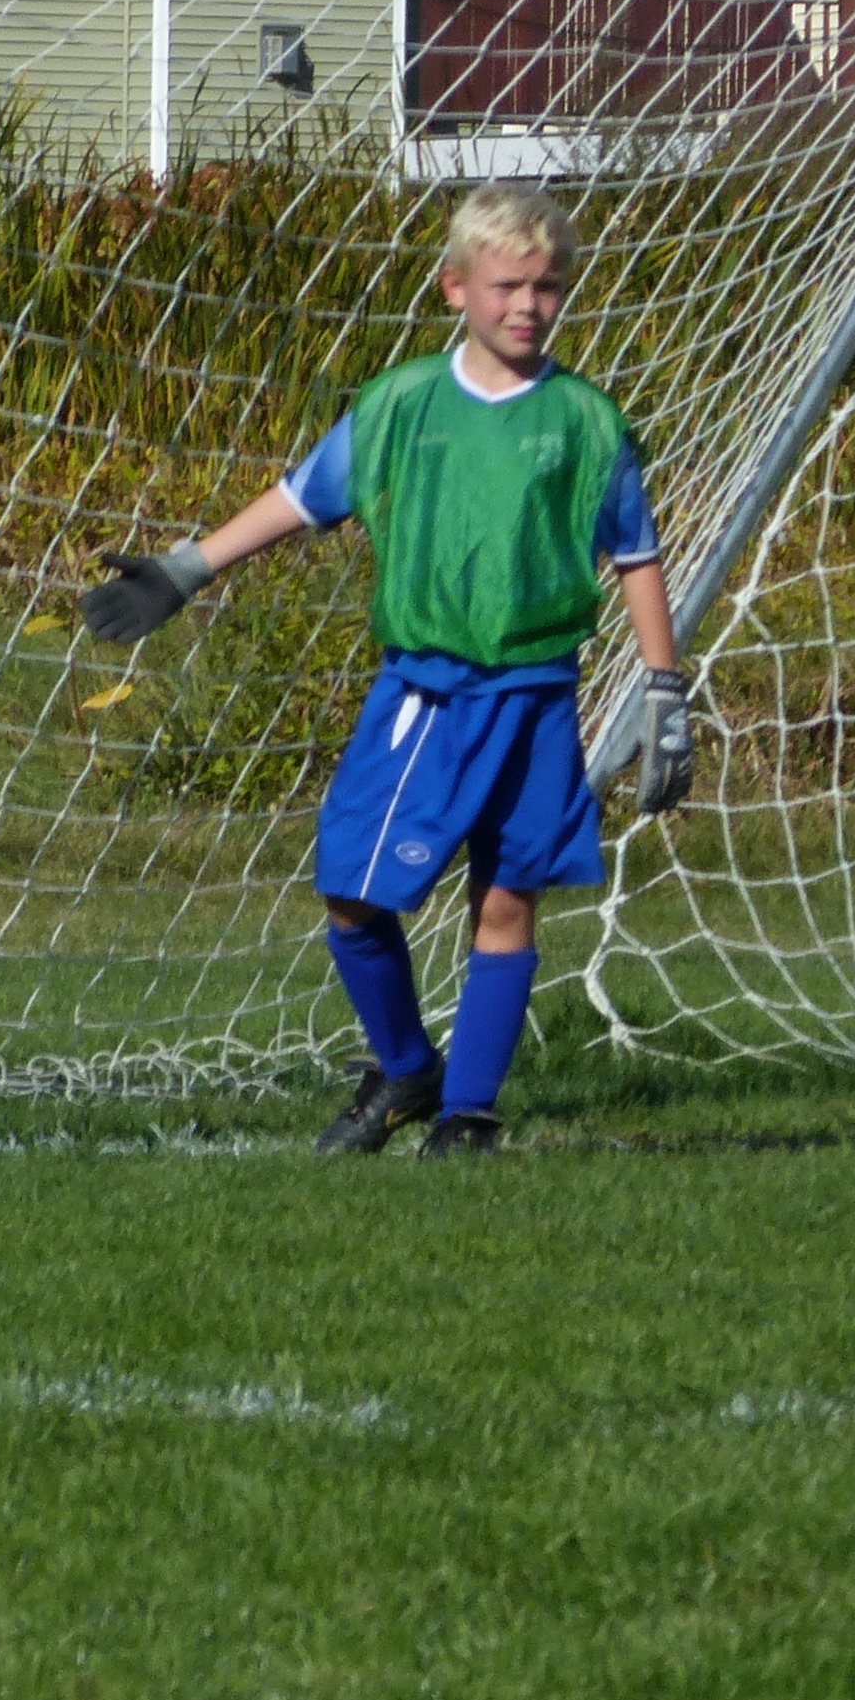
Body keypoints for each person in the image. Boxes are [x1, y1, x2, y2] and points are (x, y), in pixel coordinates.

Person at [77, 185, 695, 1156]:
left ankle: (469, 1113)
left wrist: (663, 687)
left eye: (545, 287)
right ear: (455, 288)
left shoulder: (587, 420)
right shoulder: (402, 405)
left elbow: (637, 555)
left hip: (536, 697)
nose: (526, 305)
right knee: (351, 891)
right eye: (505, 286)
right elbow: (300, 498)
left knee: (507, 900)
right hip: (424, 695)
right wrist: (186, 570)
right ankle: (406, 1067)